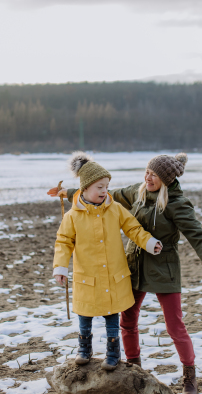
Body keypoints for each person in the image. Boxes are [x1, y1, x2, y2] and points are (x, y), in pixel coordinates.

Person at [49, 153, 202, 394]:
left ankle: (189, 376)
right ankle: (134, 367)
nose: (147, 177)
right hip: (134, 265)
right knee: (128, 321)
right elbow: (99, 191)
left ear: (165, 179)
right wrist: (69, 192)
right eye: (147, 171)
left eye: (153, 175)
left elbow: (198, 235)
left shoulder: (177, 203)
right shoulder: (138, 191)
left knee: (174, 326)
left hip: (164, 268)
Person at [52, 151, 163, 371]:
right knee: (85, 314)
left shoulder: (116, 209)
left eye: (106, 186)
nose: (104, 191)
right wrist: (60, 267)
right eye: (99, 187)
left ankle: (113, 353)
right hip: (87, 277)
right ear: (85, 189)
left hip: (113, 275)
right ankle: (84, 348)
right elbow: (63, 242)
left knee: (112, 316)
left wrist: (149, 243)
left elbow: (134, 229)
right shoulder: (72, 216)